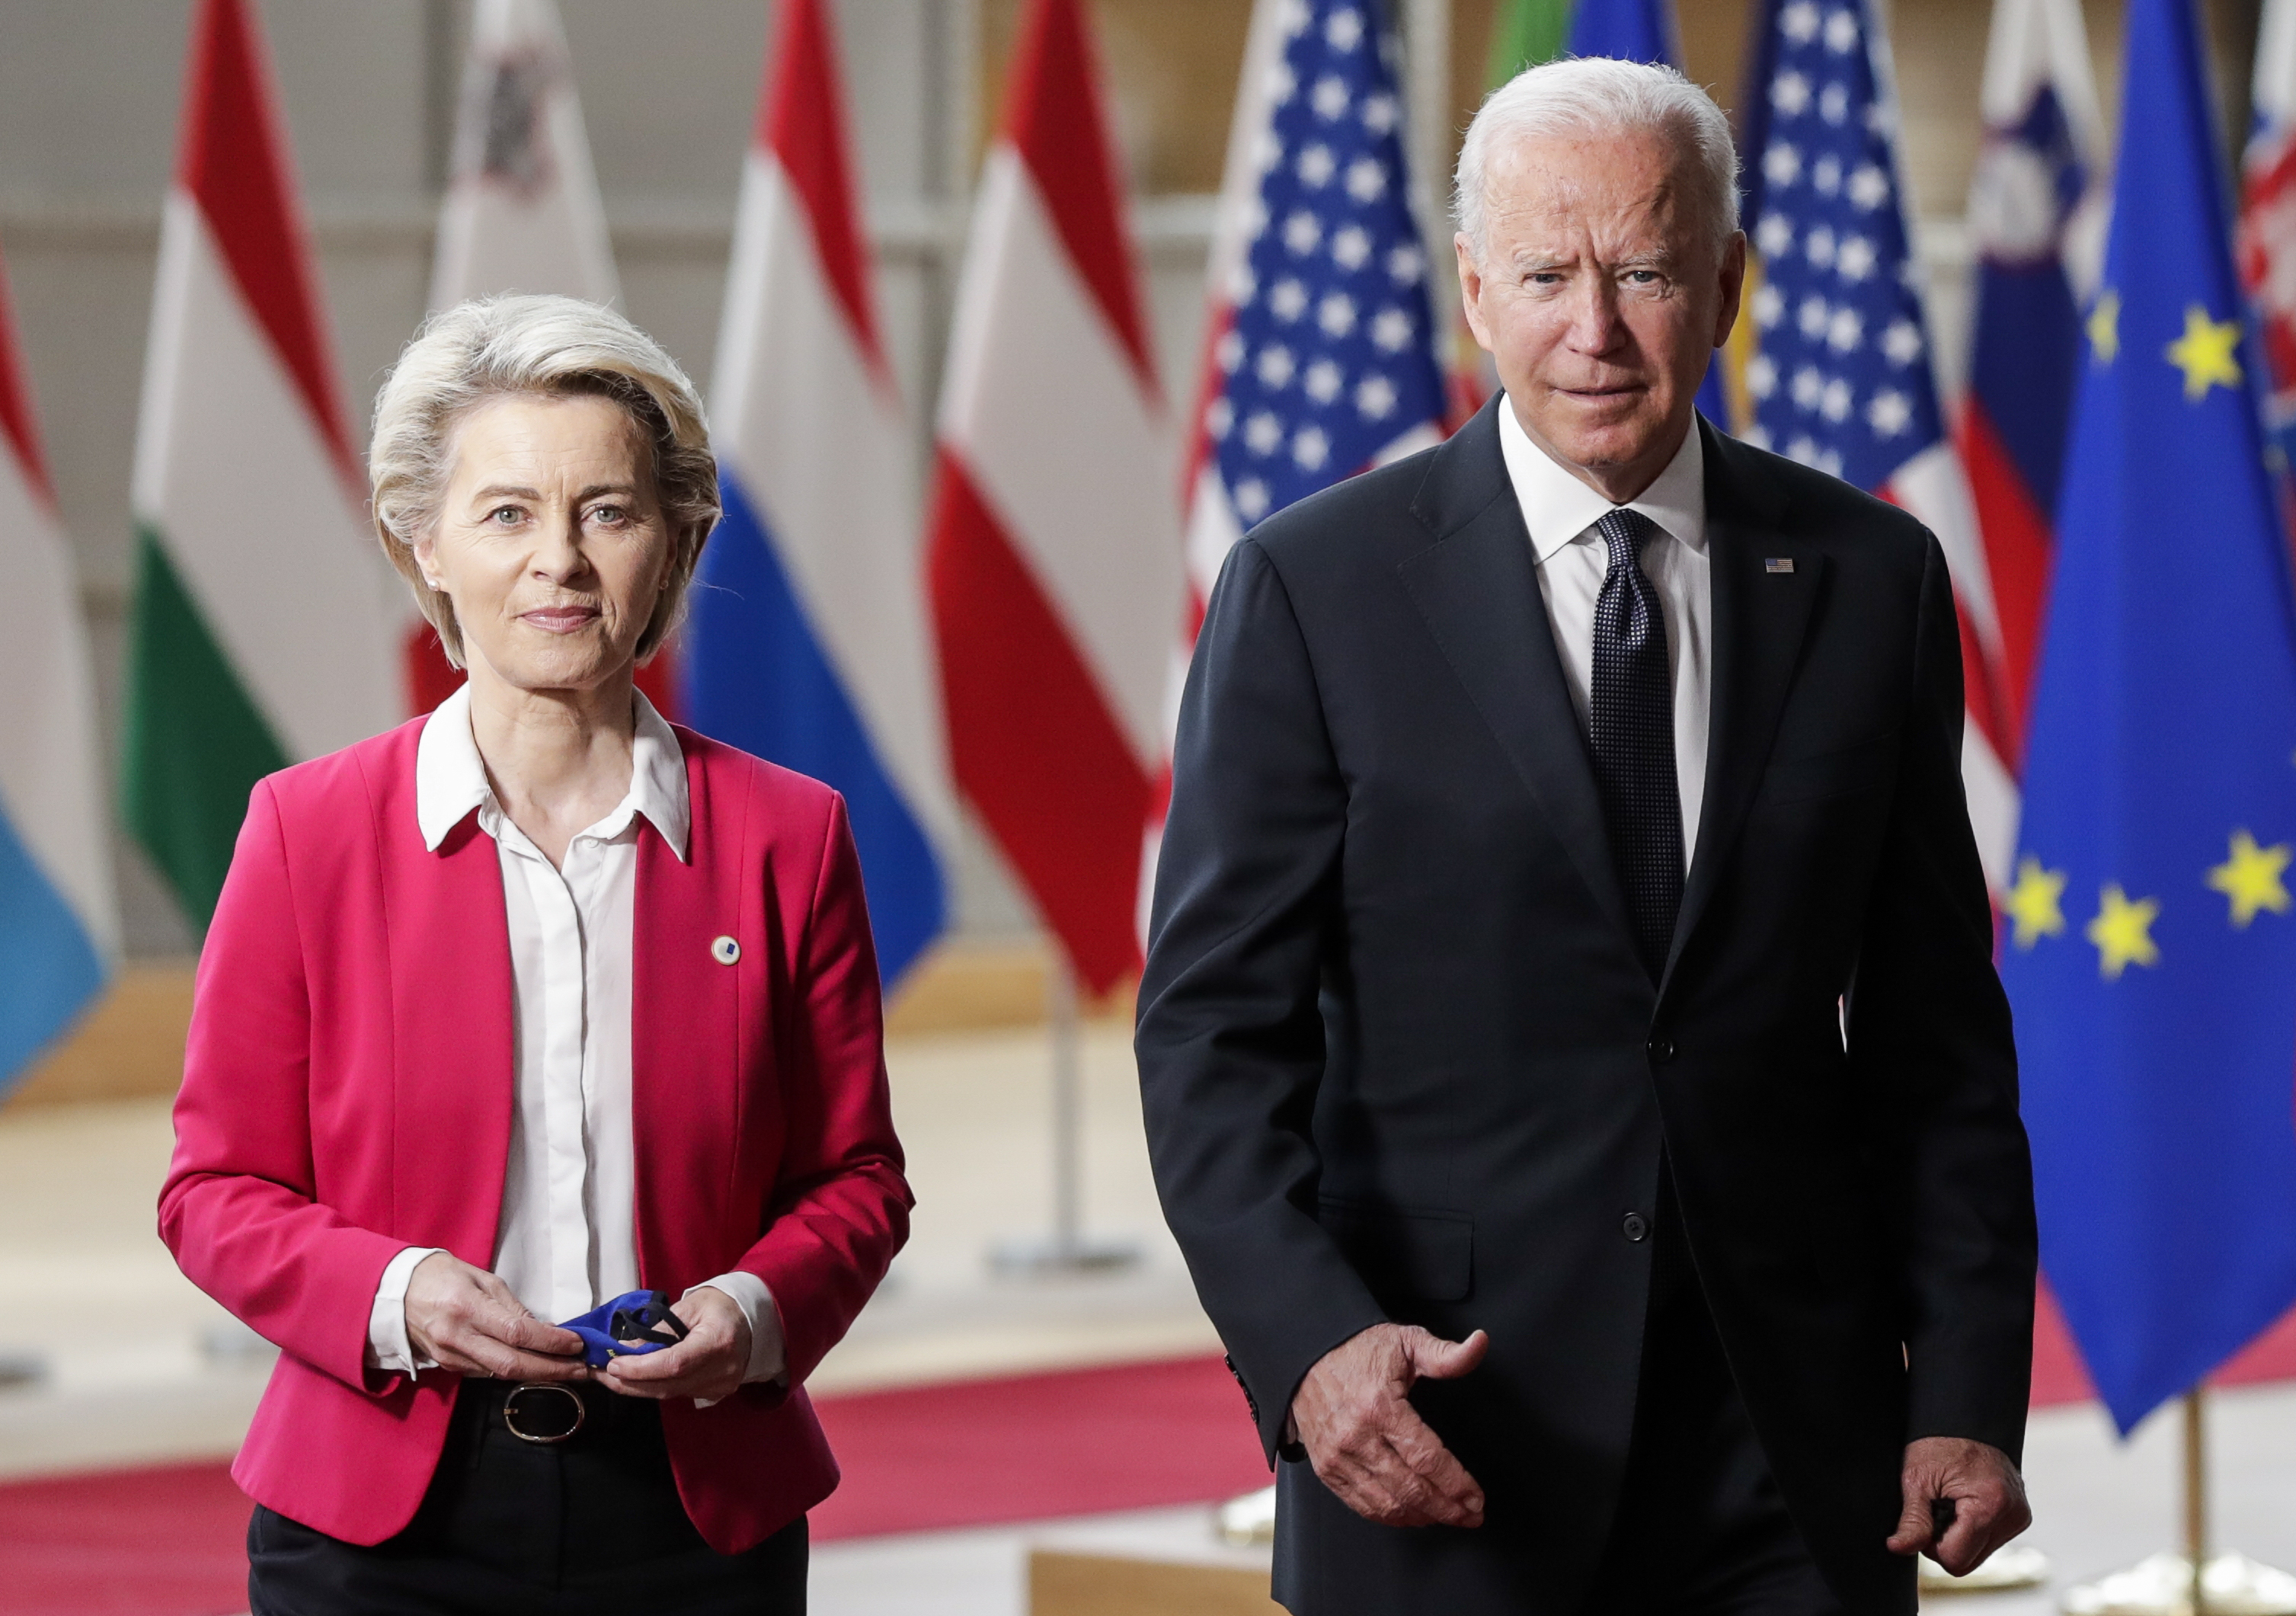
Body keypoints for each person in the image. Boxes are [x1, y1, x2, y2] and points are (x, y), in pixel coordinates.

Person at [1136, 58, 2036, 1616]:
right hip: (1443, 1424)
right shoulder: (1313, 590)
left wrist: (1964, 1374)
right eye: (1547, 274)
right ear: (1477, 291)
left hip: (1794, 1445)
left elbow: (1933, 1033)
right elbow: (1213, 1033)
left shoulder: (1870, 578)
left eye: (1643, 269)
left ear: (1728, 284)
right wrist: (1309, 1349)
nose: (1595, 328)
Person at [159, 293, 910, 1615]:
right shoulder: (306, 830)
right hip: (376, 1524)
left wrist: (752, 1307)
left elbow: (855, 1179)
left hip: (695, 1516)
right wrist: (394, 1290)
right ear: (424, 546)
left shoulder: (792, 836)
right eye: (506, 512)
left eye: (607, 511)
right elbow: (216, 1189)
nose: (558, 560)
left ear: (675, 541)